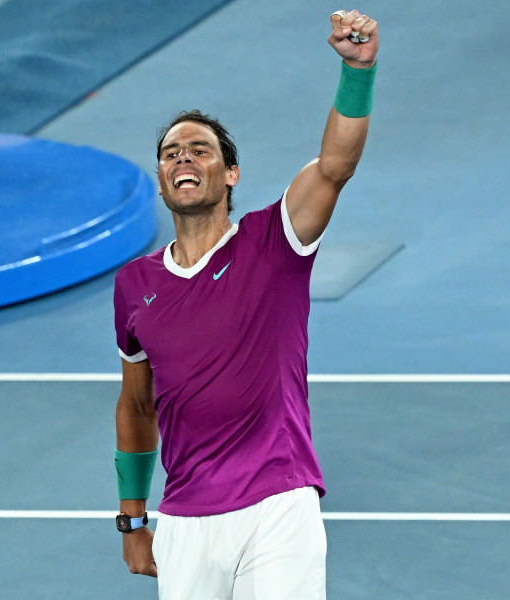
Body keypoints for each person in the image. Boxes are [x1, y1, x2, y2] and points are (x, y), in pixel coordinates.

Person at [113, 9, 379, 599]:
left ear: (230, 173)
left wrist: (357, 71)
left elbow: (335, 166)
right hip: (183, 519)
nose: (183, 156)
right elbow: (136, 407)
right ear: (160, 181)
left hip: (277, 503)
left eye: (200, 150)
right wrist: (133, 517)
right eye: (171, 152)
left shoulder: (275, 241)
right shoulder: (135, 284)